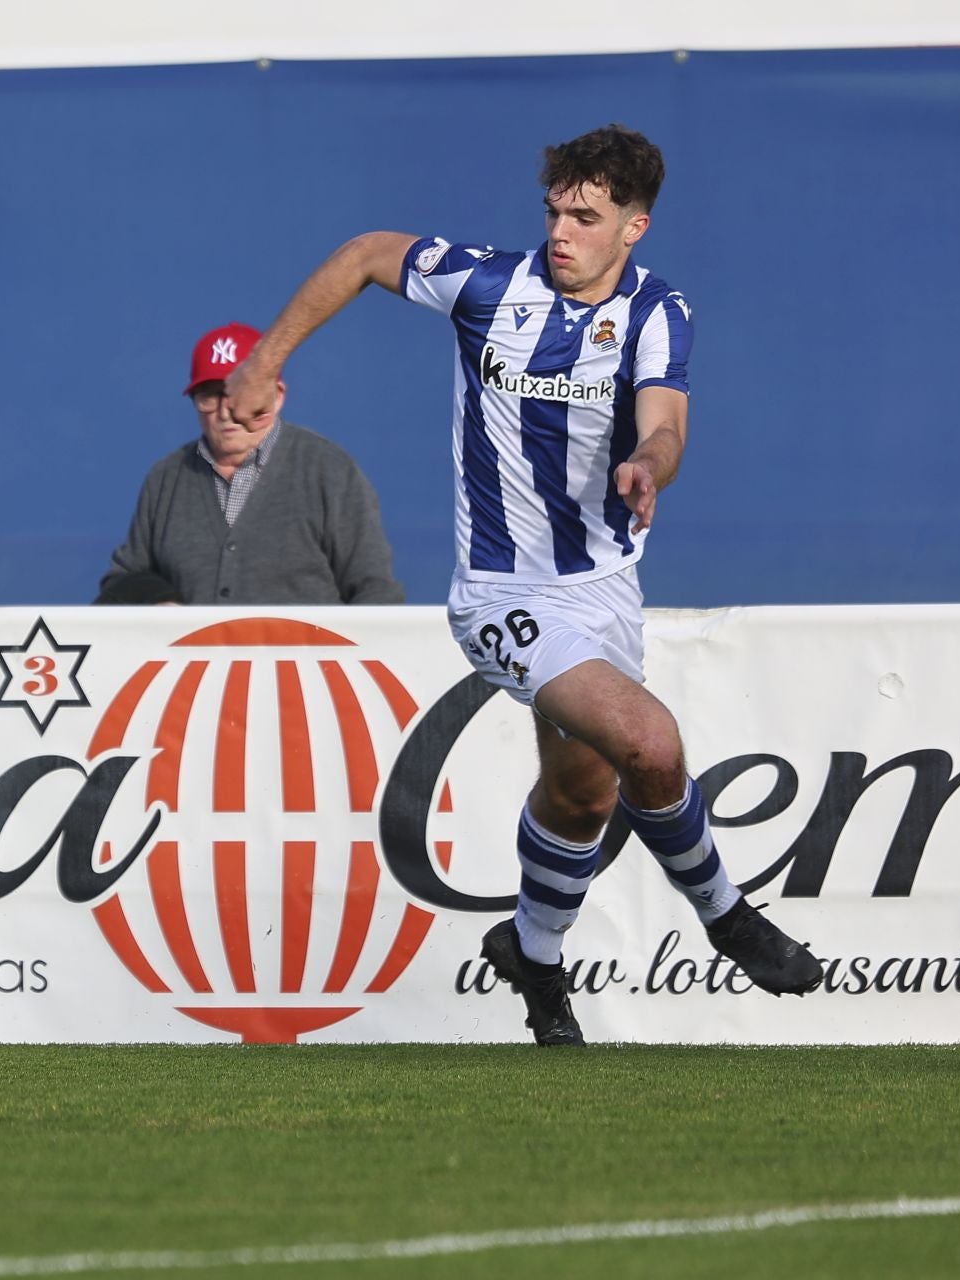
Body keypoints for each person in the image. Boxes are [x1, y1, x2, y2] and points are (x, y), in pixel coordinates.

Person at [224, 124, 822, 1046]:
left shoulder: (660, 313)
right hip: (501, 595)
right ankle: (727, 916)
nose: (561, 231)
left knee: (581, 797)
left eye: (586, 216)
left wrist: (649, 462)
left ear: (634, 227)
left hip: (606, 590)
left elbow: (665, 420)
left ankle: (534, 959)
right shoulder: (489, 285)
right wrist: (268, 361)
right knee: (651, 744)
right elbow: (364, 255)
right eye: (554, 211)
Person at [98, 322, 403, 607]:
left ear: (277, 396)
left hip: (303, 664)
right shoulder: (166, 478)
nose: (225, 411)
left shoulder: (330, 472)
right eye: (209, 396)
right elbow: (121, 582)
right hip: (193, 665)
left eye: (238, 394)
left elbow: (376, 594)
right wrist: (157, 601)